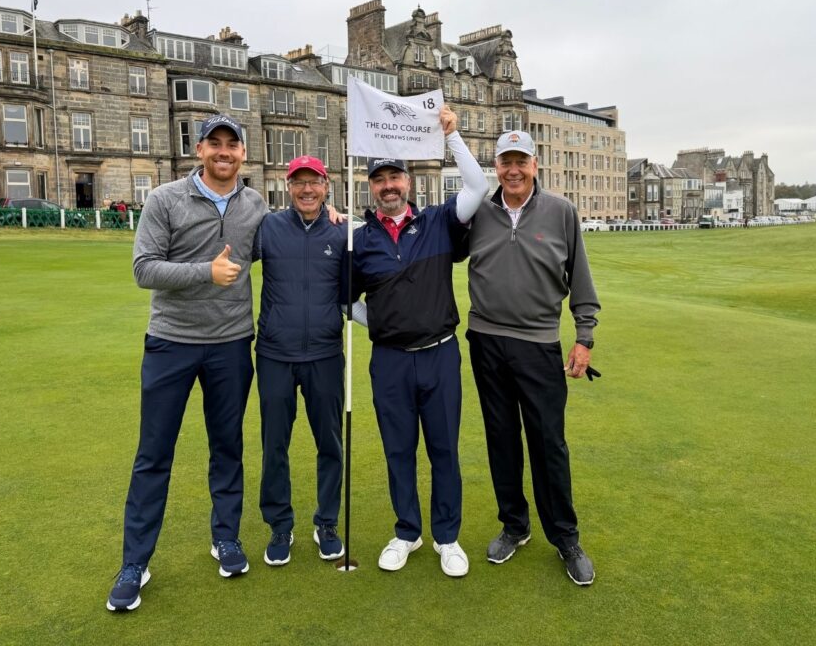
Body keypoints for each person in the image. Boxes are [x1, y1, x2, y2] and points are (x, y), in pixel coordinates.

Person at [107, 113, 268, 612]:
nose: (224, 152)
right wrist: (206, 272)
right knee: (153, 455)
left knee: (227, 447)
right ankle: (135, 561)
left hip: (231, 345)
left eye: (232, 145)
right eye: (214, 143)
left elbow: (280, 242)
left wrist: (324, 218)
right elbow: (143, 268)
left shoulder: (256, 204)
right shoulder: (164, 199)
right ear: (198, 150)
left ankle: (226, 538)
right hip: (171, 343)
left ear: (243, 153)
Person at [351, 105, 487, 578]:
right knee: (398, 449)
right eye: (380, 178)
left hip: (440, 357)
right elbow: (345, 301)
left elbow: (478, 188)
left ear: (407, 181)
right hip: (389, 362)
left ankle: (446, 536)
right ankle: (407, 531)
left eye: (395, 177)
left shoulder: (437, 223)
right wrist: (382, 324)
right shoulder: (360, 240)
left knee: (444, 449)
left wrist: (452, 137)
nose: (388, 185)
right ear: (371, 186)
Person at [465, 129, 601, 586]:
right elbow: (428, 234)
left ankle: (565, 537)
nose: (514, 170)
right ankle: (515, 526)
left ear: (535, 165)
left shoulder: (561, 212)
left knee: (548, 444)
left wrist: (584, 337)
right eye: (506, 161)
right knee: (501, 438)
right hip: (486, 341)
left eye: (521, 161)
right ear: (496, 167)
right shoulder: (478, 212)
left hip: (540, 345)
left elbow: (580, 279)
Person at [252, 155, 349, 566]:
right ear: (288, 187)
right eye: (299, 183)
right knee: (275, 444)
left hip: (325, 353)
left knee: (330, 442)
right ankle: (280, 525)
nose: (306, 190)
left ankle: (326, 521)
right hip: (275, 353)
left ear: (326, 185)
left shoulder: (343, 232)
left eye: (314, 182)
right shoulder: (268, 227)